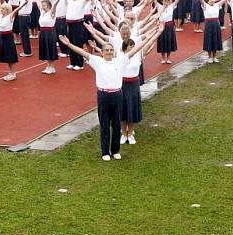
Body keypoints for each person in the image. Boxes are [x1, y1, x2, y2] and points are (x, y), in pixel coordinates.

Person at [58, 29, 160, 161]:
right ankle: (105, 152)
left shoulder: (121, 60)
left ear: (114, 52)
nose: (109, 52)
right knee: (105, 124)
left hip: (117, 95)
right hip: (103, 95)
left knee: (117, 124)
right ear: (102, 52)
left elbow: (135, 49)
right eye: (106, 50)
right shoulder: (96, 61)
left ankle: (115, 150)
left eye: (111, 50)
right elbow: (81, 52)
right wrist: (69, 44)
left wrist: (148, 38)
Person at [0, 2, 26, 81]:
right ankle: (10, 71)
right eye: (1, 9)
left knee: (10, 56)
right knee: (6, 56)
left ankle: (13, 73)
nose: (1, 10)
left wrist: (23, 4)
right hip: (2, 37)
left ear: (7, 10)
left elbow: (16, 10)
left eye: (3, 9)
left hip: (8, 37)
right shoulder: (1, 16)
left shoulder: (10, 16)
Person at [38, 0, 59, 74]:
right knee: (45, 49)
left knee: (50, 49)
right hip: (43, 32)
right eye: (42, 5)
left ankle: (52, 67)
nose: (43, 7)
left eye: (44, 5)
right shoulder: (42, 12)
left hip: (50, 32)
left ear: (49, 6)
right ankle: (48, 65)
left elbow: (55, 5)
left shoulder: (51, 12)